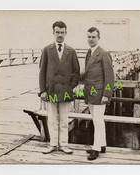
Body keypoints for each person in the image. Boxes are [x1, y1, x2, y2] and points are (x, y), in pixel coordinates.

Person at [39, 21, 80, 154]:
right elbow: (42, 72)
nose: (60, 35)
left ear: (66, 33)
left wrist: (70, 86)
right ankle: (52, 144)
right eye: (57, 32)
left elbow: (76, 72)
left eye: (62, 32)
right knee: (52, 119)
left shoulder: (71, 51)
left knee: (63, 119)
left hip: (65, 91)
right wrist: (43, 91)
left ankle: (63, 145)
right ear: (53, 33)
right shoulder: (46, 50)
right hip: (50, 91)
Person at [81, 27, 114, 160]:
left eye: (94, 37)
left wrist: (107, 94)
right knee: (97, 120)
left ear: (98, 38)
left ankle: (96, 149)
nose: (91, 39)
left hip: (100, 93)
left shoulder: (103, 53)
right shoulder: (89, 53)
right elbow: (87, 72)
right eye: (89, 37)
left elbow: (110, 76)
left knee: (98, 120)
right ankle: (102, 144)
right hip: (90, 92)